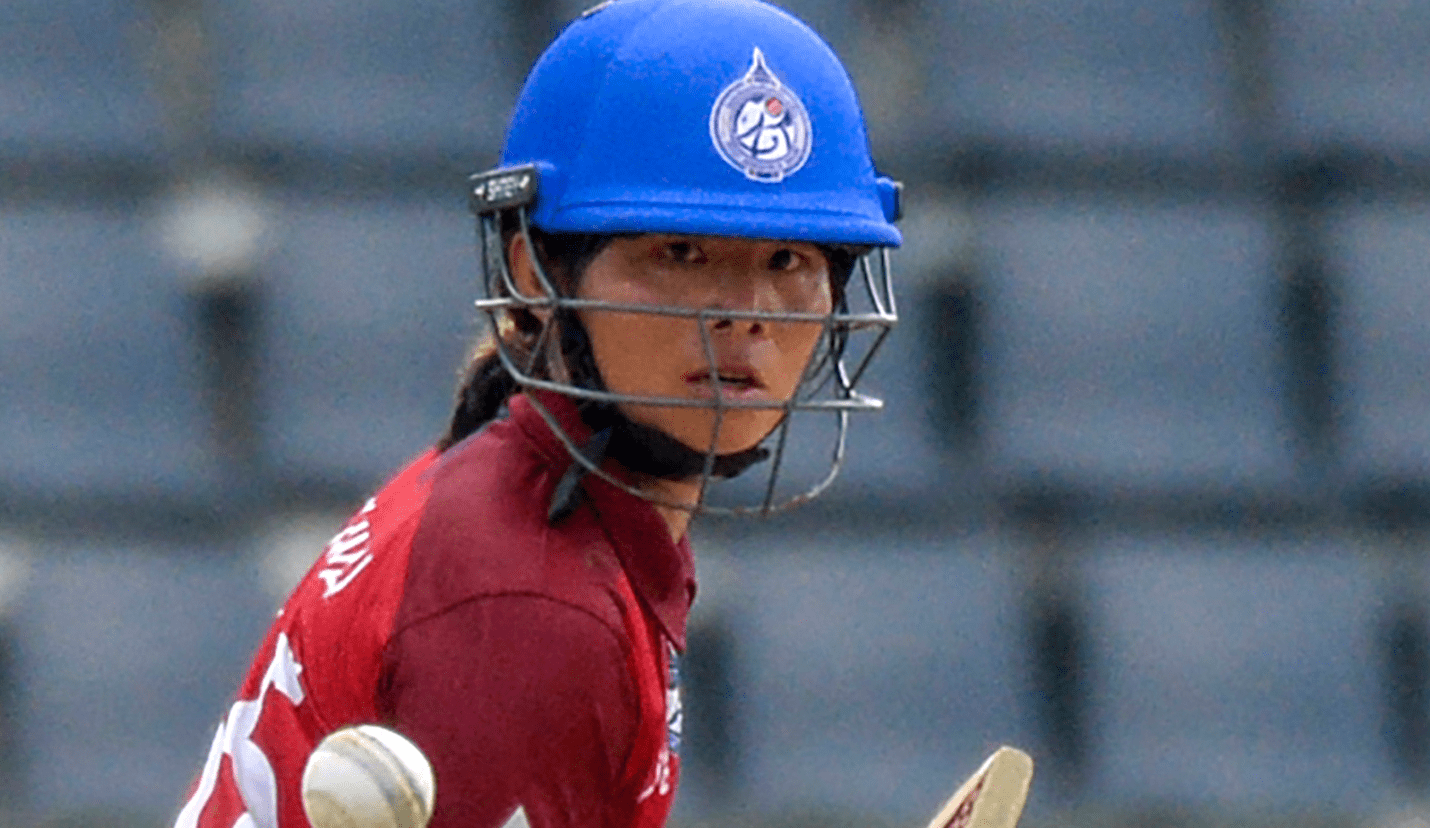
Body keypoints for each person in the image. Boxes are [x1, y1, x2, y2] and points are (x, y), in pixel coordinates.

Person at [175, 0, 902, 826]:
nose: (742, 311)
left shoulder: (527, 503)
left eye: (788, 258)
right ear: (536, 270)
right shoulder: (530, 609)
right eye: (678, 252)